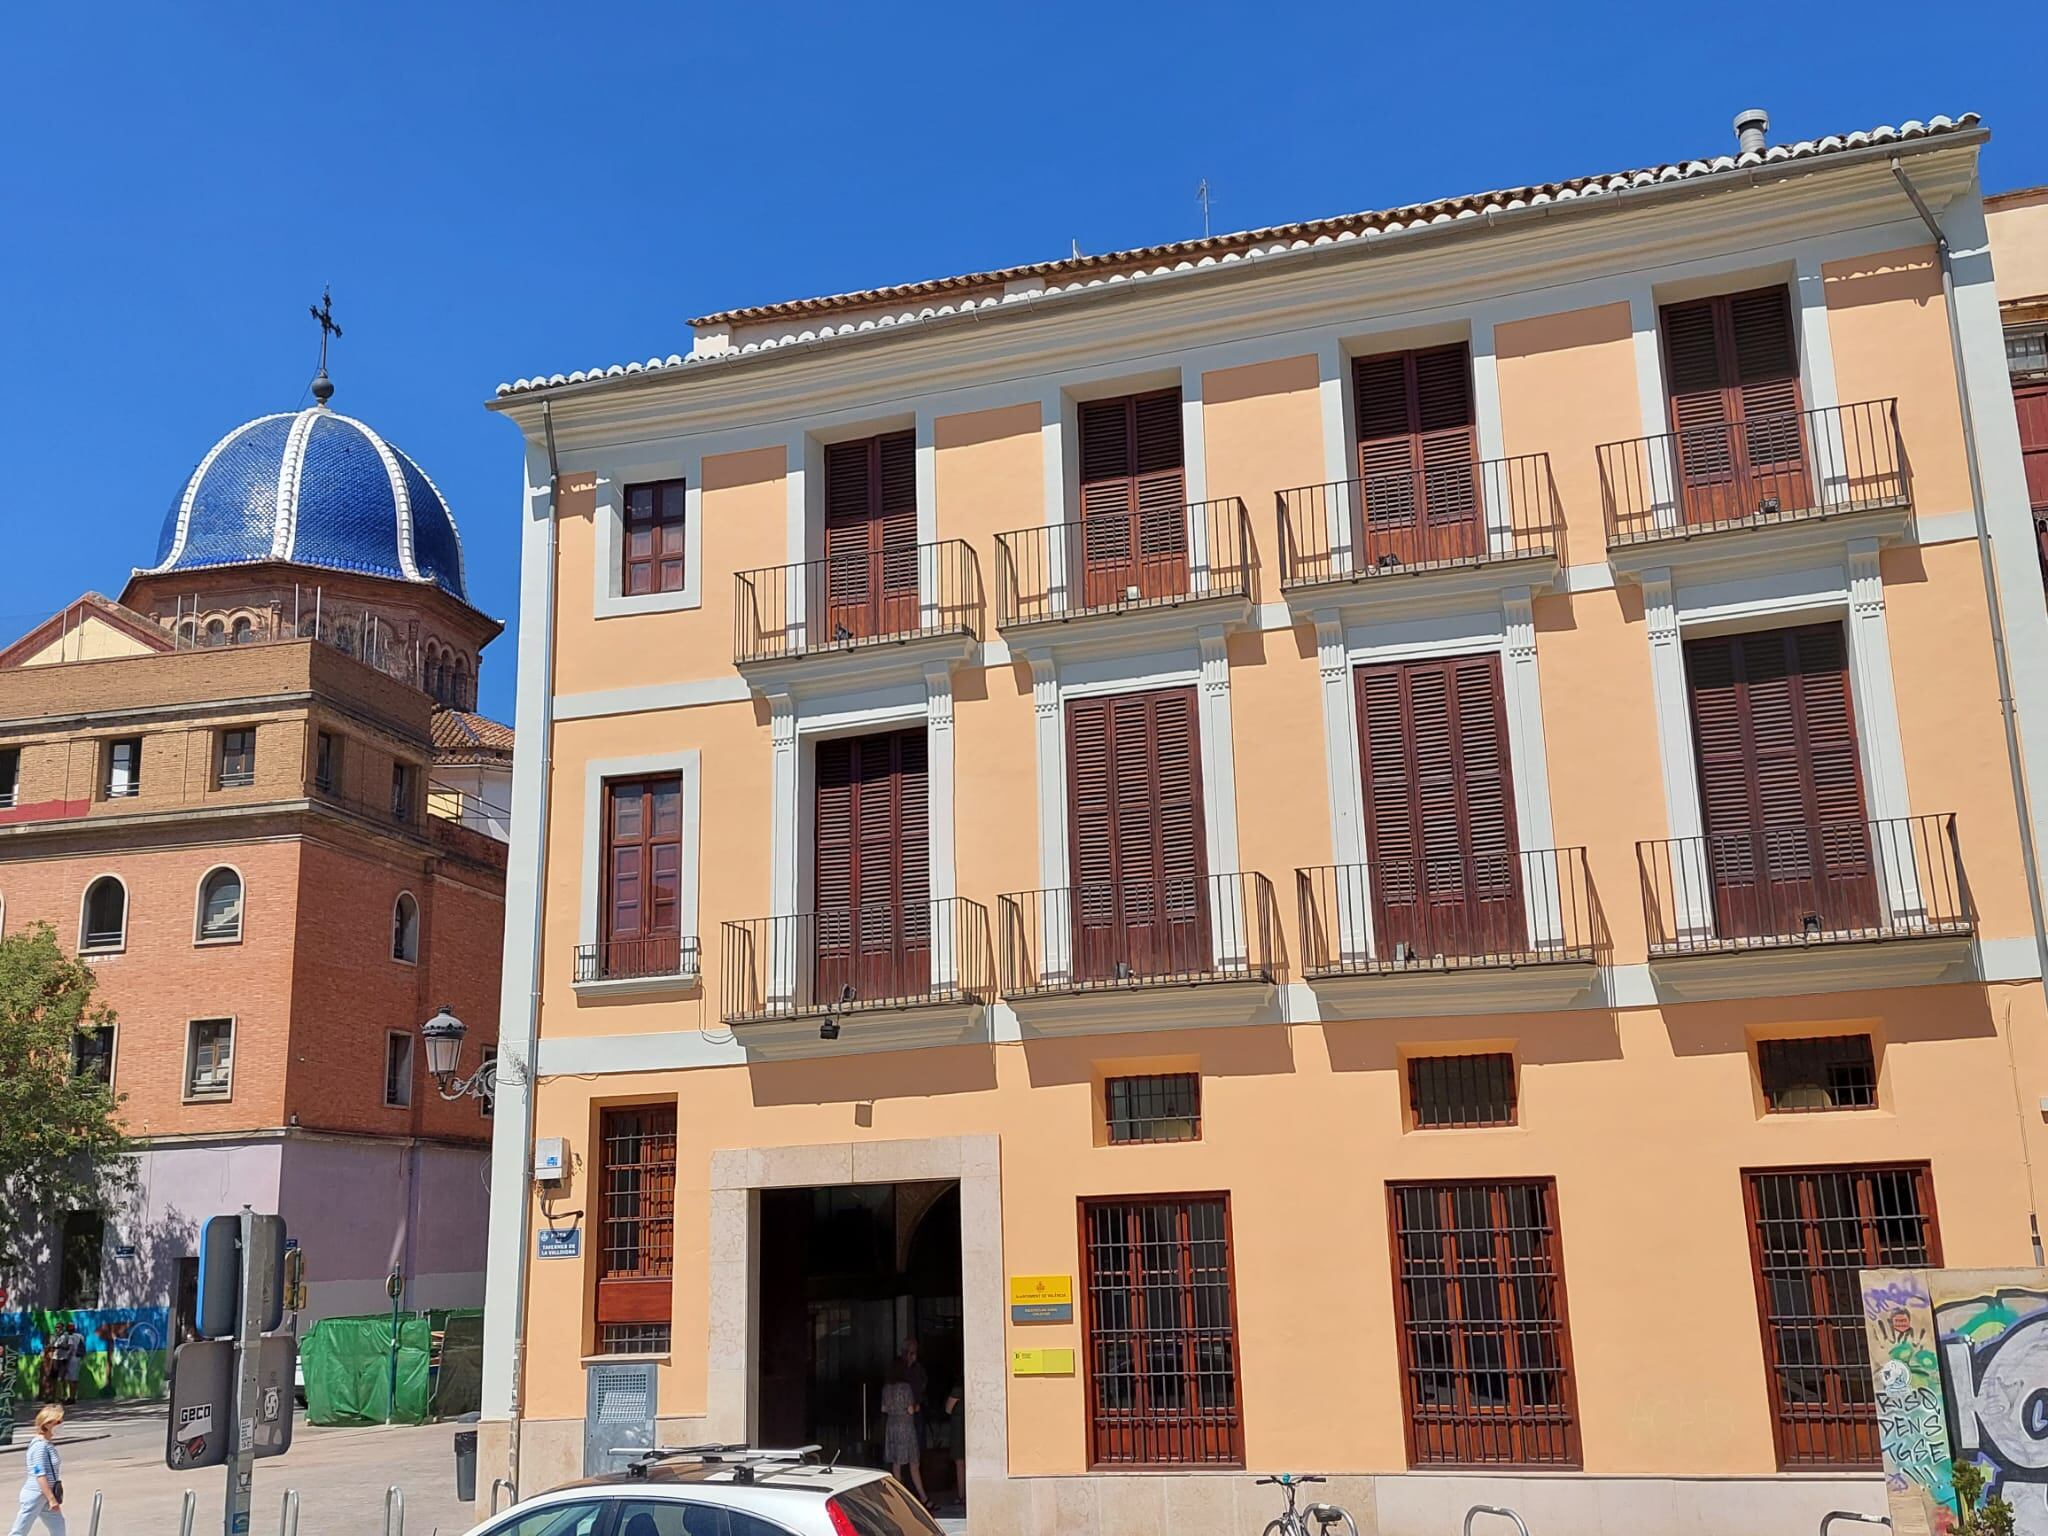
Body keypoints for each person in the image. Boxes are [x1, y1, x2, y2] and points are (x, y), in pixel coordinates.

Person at [879, 1360, 927, 1509]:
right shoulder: (905, 1387)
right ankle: (923, 1497)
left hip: (891, 1425)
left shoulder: (886, 1388)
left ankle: (899, 1499)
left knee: (896, 1463)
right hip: (905, 1426)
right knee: (913, 1462)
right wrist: (917, 1407)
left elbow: (884, 1409)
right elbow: (911, 1409)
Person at [10, 1404, 63, 1536]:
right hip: (36, 1494)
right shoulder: (39, 1446)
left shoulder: (47, 1444)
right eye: (58, 1422)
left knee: (58, 1527)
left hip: (45, 1494)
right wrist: (51, 1499)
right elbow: (40, 1474)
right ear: (47, 1424)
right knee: (20, 1531)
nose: (61, 1425)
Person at [58, 1330, 81, 1408]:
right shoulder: (80, 1336)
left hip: (71, 1360)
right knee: (74, 1380)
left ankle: (71, 1397)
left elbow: (70, 1349)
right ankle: (72, 1396)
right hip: (77, 1359)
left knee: (70, 1380)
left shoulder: (70, 1337)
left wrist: (66, 1358)